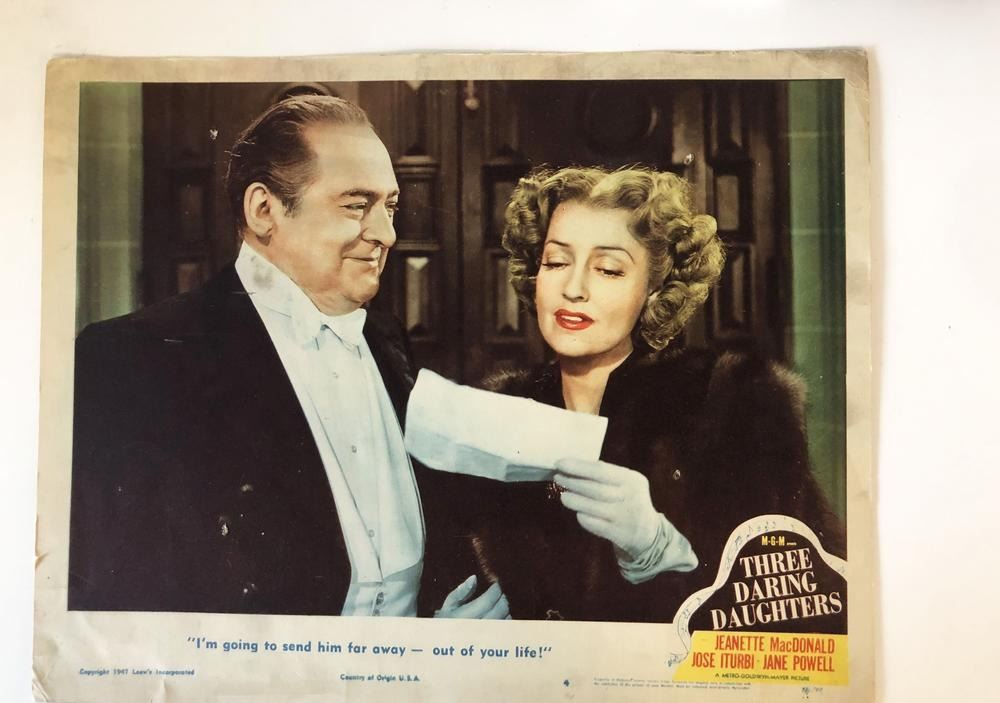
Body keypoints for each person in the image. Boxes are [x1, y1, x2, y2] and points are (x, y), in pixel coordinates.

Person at [68, 95, 507, 620]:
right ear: (264, 210)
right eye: (355, 205)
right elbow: (121, 610)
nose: (387, 234)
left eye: (389, 207)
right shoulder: (130, 361)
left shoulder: (386, 339)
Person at [422, 165, 845, 623]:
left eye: (608, 269)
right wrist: (445, 635)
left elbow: (807, 611)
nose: (574, 289)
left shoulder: (734, 408)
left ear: (655, 288)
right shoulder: (496, 414)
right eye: (556, 262)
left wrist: (660, 550)